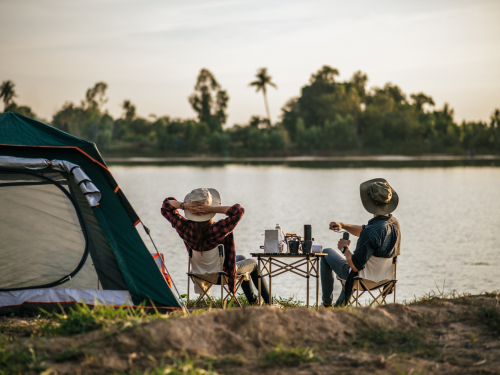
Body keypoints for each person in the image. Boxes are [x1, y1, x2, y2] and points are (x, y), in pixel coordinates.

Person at [161, 188, 272, 305]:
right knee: (253, 264)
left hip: (199, 275)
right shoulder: (217, 229)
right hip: (222, 275)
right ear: (209, 210)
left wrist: (185, 206)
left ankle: (254, 300)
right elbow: (238, 211)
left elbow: (166, 205)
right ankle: (269, 302)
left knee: (242, 257)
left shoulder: (184, 227)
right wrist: (212, 209)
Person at [321, 178, 401, 307]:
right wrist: (343, 225)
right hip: (384, 279)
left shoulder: (371, 232)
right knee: (359, 265)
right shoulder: (394, 224)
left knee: (326, 253)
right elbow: (365, 231)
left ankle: (326, 304)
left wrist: (344, 248)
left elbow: (354, 266)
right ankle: (338, 307)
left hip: (362, 279)